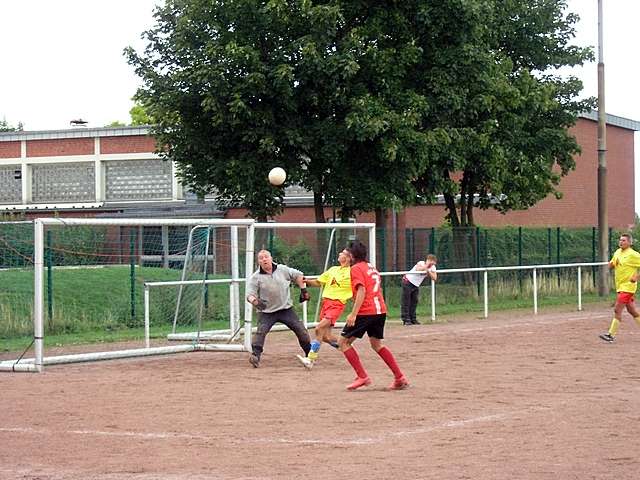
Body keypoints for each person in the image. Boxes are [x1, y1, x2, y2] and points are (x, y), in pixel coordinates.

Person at [339, 240, 409, 391]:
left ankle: (362, 376)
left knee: (343, 342)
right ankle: (399, 377)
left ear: (352, 255)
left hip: (366, 311)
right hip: (380, 311)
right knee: (376, 345)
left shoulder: (356, 269)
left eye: (347, 253)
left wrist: (353, 314)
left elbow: (362, 291)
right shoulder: (371, 267)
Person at [246, 249, 312, 367]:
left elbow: (299, 275)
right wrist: (255, 302)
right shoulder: (255, 277)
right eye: (261, 258)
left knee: (301, 331)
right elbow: (249, 295)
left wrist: (303, 290)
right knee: (260, 332)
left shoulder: (283, 269)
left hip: (286, 309)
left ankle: (309, 354)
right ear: (258, 262)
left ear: (271, 258)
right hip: (266, 311)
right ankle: (255, 356)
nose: (264, 259)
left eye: (266, 257)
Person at [296, 248, 352, 369]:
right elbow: (319, 282)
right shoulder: (333, 269)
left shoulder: (351, 273)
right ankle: (346, 347)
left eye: (343, 253)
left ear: (348, 258)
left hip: (336, 305)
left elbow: (358, 288)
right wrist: (306, 281)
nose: (339, 253)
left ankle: (310, 359)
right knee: (326, 337)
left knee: (319, 328)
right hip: (326, 304)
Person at [599, 233, 640, 342]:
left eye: (624, 240)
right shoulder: (617, 252)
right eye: (620, 240)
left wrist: (637, 276)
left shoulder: (633, 254)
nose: (621, 242)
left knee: (617, 309)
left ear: (630, 243)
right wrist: (612, 264)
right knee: (632, 311)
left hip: (628, 287)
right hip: (620, 286)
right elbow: (611, 264)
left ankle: (610, 335)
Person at [400, 254, 438, 325]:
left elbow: (434, 278)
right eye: (430, 261)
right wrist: (426, 266)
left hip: (415, 285)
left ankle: (413, 319)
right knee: (406, 301)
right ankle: (406, 319)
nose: (432, 263)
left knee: (414, 301)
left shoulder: (432, 268)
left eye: (433, 262)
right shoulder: (421, 263)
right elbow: (418, 269)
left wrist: (429, 271)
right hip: (408, 281)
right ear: (427, 260)